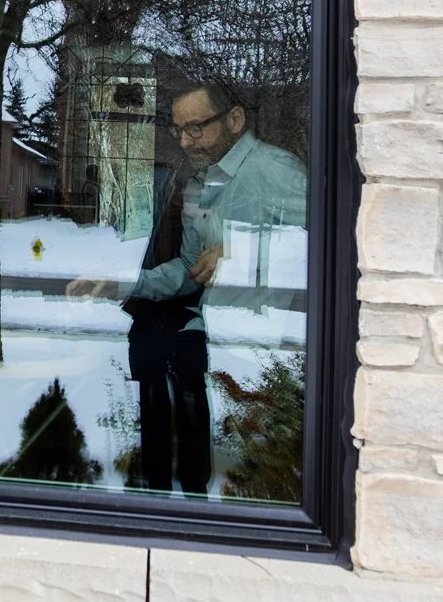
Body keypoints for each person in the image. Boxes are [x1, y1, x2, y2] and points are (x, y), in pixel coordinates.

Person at [68, 79, 307, 495]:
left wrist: (236, 252)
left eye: (196, 127)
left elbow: (327, 249)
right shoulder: (200, 187)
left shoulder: (277, 171)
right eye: (179, 130)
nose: (185, 141)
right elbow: (186, 267)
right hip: (223, 345)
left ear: (234, 119)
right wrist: (124, 283)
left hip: (275, 357)